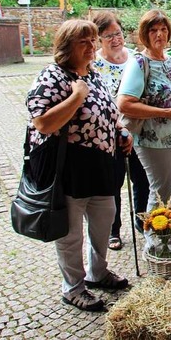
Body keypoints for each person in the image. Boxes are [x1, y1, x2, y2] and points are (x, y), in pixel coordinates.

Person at [26, 19, 131, 312]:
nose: (91, 46)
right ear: (66, 45)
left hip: (101, 166)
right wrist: (75, 96)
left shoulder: (94, 75)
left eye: (92, 40)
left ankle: (98, 272)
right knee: (70, 233)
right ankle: (73, 288)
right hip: (69, 168)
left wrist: (120, 131)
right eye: (83, 41)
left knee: (104, 220)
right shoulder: (52, 77)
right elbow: (43, 123)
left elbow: (109, 113)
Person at [117, 9, 171, 210]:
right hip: (153, 138)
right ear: (145, 34)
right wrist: (165, 113)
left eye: (163, 29)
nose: (159, 34)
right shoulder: (139, 63)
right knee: (161, 190)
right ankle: (154, 238)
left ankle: (170, 229)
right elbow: (124, 104)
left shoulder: (169, 60)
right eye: (153, 30)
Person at [92, 12, 150, 242]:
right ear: (99, 40)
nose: (116, 39)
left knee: (141, 179)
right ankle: (113, 230)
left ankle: (142, 222)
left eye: (118, 34)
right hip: (108, 134)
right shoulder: (93, 64)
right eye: (109, 36)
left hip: (137, 129)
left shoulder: (135, 58)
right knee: (113, 183)